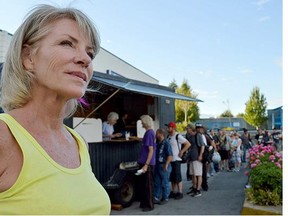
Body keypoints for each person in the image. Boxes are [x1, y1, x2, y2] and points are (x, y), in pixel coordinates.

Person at [0, 4, 110, 214]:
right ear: (28, 58)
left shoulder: (78, 143)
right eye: (67, 43)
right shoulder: (4, 137)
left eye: (90, 53)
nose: (85, 59)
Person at [166, 121, 191, 200]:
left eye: (169, 127)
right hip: (170, 160)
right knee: (172, 177)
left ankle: (180, 192)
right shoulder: (168, 137)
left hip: (176, 159)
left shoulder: (178, 136)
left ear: (173, 128)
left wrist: (182, 151)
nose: (167, 129)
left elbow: (188, 144)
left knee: (178, 177)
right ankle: (173, 192)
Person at [137, 115, 156, 212]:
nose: (141, 123)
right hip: (145, 163)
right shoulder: (149, 133)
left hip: (147, 164)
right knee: (144, 184)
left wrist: (146, 165)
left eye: (142, 121)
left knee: (148, 185)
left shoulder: (149, 133)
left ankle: (150, 205)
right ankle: (144, 203)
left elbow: (151, 150)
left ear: (145, 122)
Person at [153, 128, 173, 205]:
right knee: (157, 182)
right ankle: (156, 197)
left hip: (164, 165)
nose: (156, 135)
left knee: (165, 182)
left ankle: (165, 198)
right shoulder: (158, 143)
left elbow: (170, 155)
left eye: (157, 133)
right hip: (158, 165)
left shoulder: (166, 143)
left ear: (161, 134)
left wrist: (166, 164)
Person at [185, 123, 205, 197]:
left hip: (197, 157)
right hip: (191, 158)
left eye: (187, 128)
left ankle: (198, 190)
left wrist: (200, 155)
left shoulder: (198, 135)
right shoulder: (189, 136)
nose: (186, 130)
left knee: (198, 174)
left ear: (191, 128)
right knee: (193, 174)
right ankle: (194, 188)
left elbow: (202, 146)